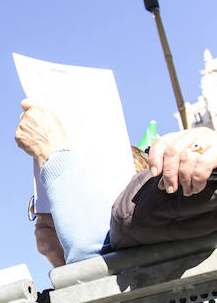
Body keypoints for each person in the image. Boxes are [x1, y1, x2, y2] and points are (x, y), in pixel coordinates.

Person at [15, 99, 217, 265]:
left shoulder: (133, 212)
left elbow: (95, 255)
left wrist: (51, 152)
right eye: (40, 198)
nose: (38, 212)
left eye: (52, 193)